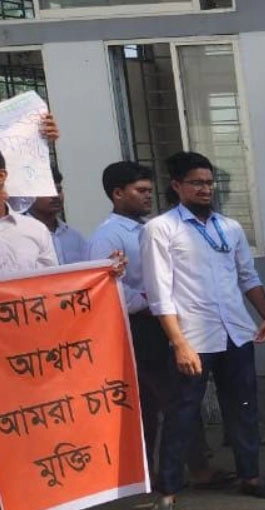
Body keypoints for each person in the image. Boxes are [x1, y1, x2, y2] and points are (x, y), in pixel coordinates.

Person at [141, 151, 265, 510]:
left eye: (209, 183)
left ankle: (250, 475)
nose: (205, 189)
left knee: (245, 408)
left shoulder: (229, 228)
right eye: (197, 183)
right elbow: (159, 293)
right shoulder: (161, 229)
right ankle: (168, 491)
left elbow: (247, 277)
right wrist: (179, 342)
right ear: (177, 186)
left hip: (235, 331)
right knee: (182, 414)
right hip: (194, 337)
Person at [0, 147, 109, 510]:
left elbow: (53, 288)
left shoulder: (31, 230)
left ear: (4, 175)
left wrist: (102, 276)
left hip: (33, 365)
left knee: (45, 450)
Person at [87, 160, 228, 491]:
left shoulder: (149, 227)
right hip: (139, 327)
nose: (148, 196)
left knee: (162, 403)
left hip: (164, 322)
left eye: (150, 190)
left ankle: (167, 470)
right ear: (117, 193)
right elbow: (107, 287)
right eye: (140, 191)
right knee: (175, 400)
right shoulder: (108, 235)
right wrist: (148, 303)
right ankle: (190, 470)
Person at [27, 167, 89, 265]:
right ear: (29, 195)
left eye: (59, 190)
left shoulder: (74, 237)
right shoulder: (20, 236)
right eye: (48, 191)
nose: (56, 196)